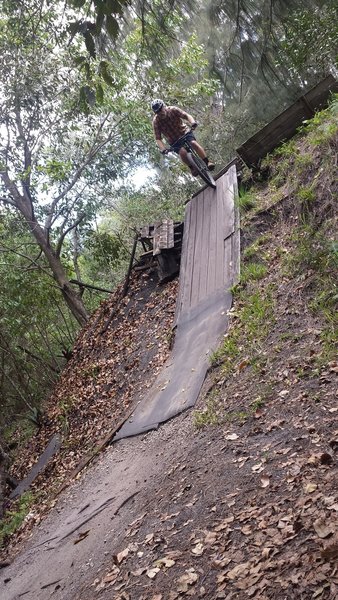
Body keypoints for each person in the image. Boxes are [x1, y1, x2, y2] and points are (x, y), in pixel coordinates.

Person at [151, 99, 215, 176]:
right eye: (158, 112)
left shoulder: (173, 110)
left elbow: (186, 116)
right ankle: (192, 167)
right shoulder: (156, 121)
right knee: (182, 152)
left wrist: (193, 122)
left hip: (184, 132)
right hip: (174, 140)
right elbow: (158, 138)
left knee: (193, 143)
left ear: (164, 106)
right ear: (156, 113)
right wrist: (163, 149)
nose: (160, 112)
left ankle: (207, 162)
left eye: (161, 109)